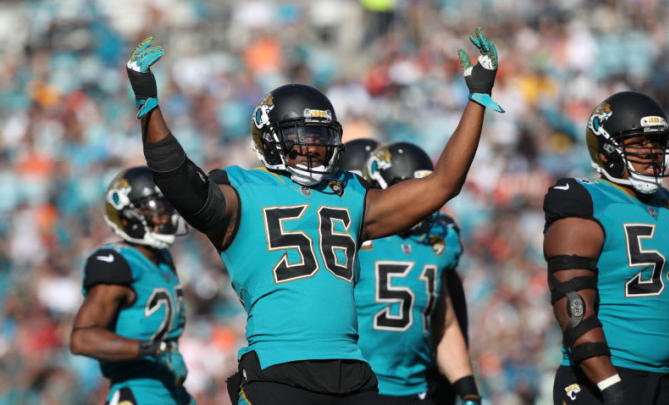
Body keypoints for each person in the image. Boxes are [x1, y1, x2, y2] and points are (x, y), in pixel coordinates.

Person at [124, 26, 502, 404]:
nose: (314, 150)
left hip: (352, 372)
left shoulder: (350, 192)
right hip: (278, 369)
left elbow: (443, 184)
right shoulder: (242, 190)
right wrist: (149, 105)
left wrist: (477, 99)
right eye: (301, 139)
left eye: (321, 139)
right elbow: (179, 181)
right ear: (270, 138)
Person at [542, 91, 669, 405]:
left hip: (662, 380)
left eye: (658, 143)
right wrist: (610, 385)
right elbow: (573, 307)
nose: (653, 153)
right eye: (640, 144)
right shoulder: (585, 201)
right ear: (608, 150)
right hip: (599, 379)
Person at [344, 141, 481, 405]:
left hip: (416, 387)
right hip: (356, 385)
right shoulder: (352, 234)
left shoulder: (438, 240)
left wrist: (467, 388)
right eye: (410, 188)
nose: (421, 199)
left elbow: (444, 321)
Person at [70, 166, 193, 405]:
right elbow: (82, 338)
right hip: (137, 392)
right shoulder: (117, 262)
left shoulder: (163, 258)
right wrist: (151, 349)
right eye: (154, 208)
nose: (165, 214)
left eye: (165, 205)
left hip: (173, 391)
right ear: (128, 216)